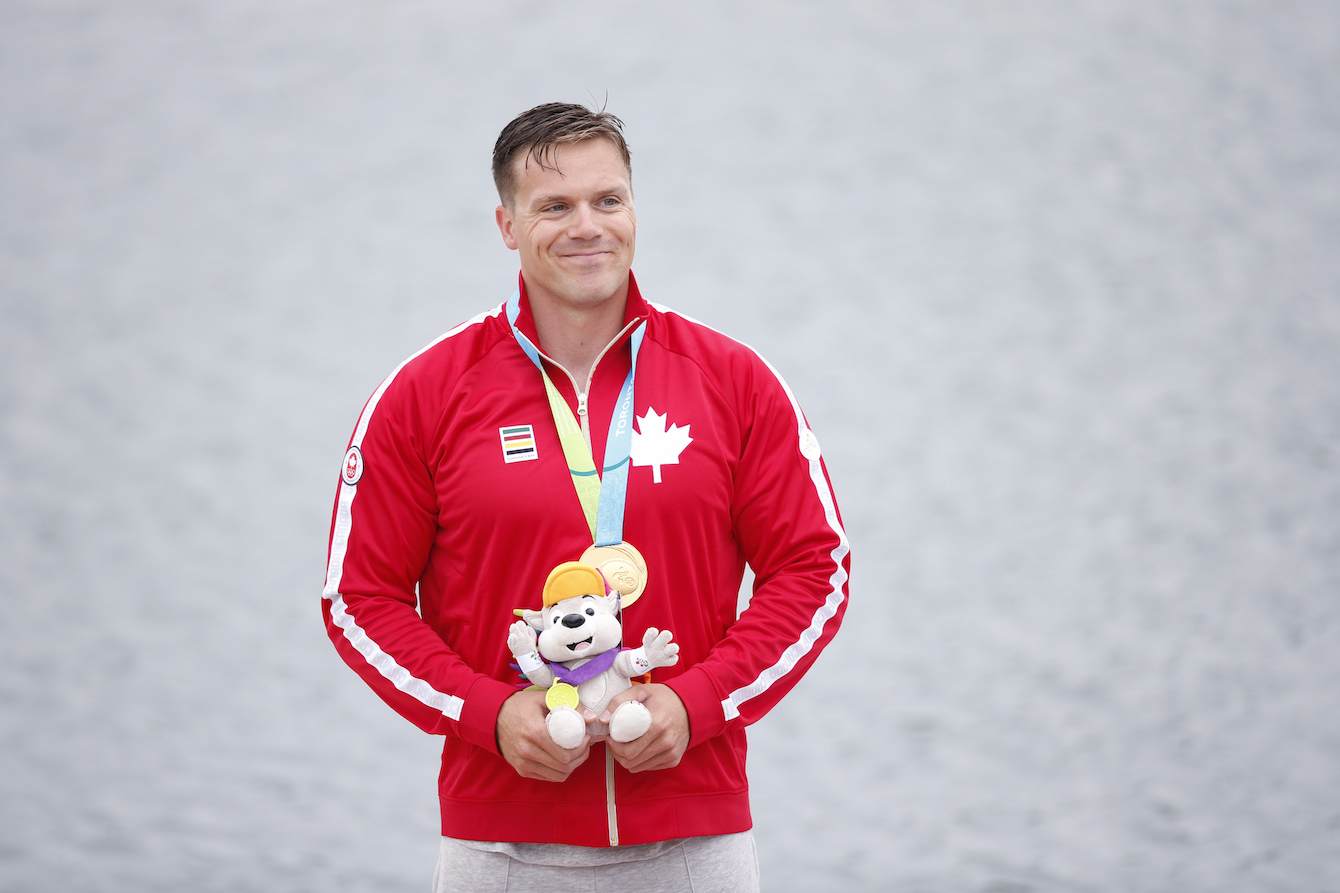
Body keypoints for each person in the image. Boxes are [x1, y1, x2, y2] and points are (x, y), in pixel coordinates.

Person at [322, 101, 851, 891]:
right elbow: (359, 597)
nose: (587, 226)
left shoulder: (733, 381)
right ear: (506, 224)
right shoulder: (425, 394)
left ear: (635, 208)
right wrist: (487, 714)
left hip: (695, 843)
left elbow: (816, 569)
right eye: (554, 206)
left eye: (608, 200)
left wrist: (699, 702)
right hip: (501, 847)